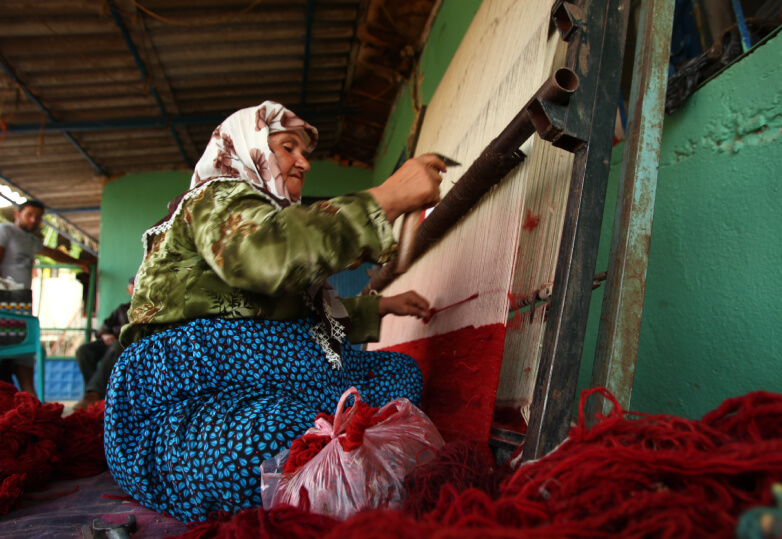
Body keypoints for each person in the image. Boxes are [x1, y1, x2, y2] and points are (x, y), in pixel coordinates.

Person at [104, 101, 445, 522]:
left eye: (305, 154)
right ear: (249, 148)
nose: (302, 162)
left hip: (292, 380)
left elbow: (310, 326)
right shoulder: (215, 200)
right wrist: (387, 197)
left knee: (399, 374)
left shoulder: (290, 230)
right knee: (269, 444)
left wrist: (383, 306)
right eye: (288, 147)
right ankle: (325, 450)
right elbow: (263, 257)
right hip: (205, 391)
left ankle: (330, 446)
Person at [0, 200, 92, 396]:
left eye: (38, 217)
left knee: (24, 351)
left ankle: (33, 404)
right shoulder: (6, 231)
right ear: (18, 214)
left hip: (21, 305)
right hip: (4, 303)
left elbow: (52, 254)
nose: (33, 220)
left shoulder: (31, 241)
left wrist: (79, 262)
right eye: (29, 215)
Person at [73, 276, 134, 410]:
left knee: (116, 346)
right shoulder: (122, 309)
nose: (136, 288)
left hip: (128, 345)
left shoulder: (148, 308)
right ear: (128, 290)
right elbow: (104, 327)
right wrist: (105, 334)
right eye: (133, 286)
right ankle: (93, 394)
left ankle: (93, 395)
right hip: (111, 341)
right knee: (84, 351)